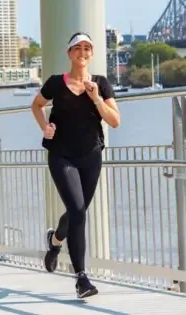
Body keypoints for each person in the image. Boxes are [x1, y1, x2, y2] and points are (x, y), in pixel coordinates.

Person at [30, 32, 121, 299]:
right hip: (61, 155)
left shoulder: (101, 84)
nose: (82, 52)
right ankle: (82, 278)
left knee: (76, 213)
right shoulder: (57, 83)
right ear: (69, 54)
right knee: (79, 210)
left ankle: (56, 241)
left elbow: (115, 121)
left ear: (91, 54)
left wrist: (95, 99)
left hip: (91, 155)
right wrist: (45, 126)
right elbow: (36, 105)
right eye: (77, 48)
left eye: (87, 48)